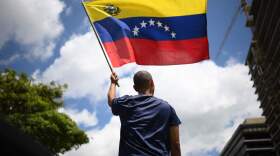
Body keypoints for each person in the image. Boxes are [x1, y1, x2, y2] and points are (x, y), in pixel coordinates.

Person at [107, 70, 181, 156]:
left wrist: (113, 82)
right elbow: (175, 144)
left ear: (135, 88)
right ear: (152, 83)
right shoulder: (167, 108)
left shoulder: (126, 103)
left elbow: (111, 100)